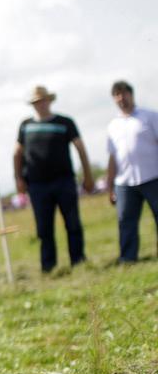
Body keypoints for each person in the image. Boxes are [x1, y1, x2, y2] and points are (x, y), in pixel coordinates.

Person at [14, 85, 93, 272]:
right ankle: (48, 266)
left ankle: (78, 260)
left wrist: (88, 175)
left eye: (42, 101)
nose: (40, 105)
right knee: (44, 228)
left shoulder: (65, 122)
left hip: (64, 181)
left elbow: (80, 148)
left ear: (49, 101)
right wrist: (18, 178)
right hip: (37, 185)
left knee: (73, 223)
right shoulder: (26, 126)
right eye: (36, 102)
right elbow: (17, 153)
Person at [104, 81, 158, 263]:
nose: (121, 98)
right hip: (124, 182)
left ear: (131, 94)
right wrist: (110, 185)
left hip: (153, 177)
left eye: (124, 93)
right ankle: (128, 258)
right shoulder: (112, 126)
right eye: (117, 95)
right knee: (126, 221)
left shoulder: (150, 116)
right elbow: (112, 157)